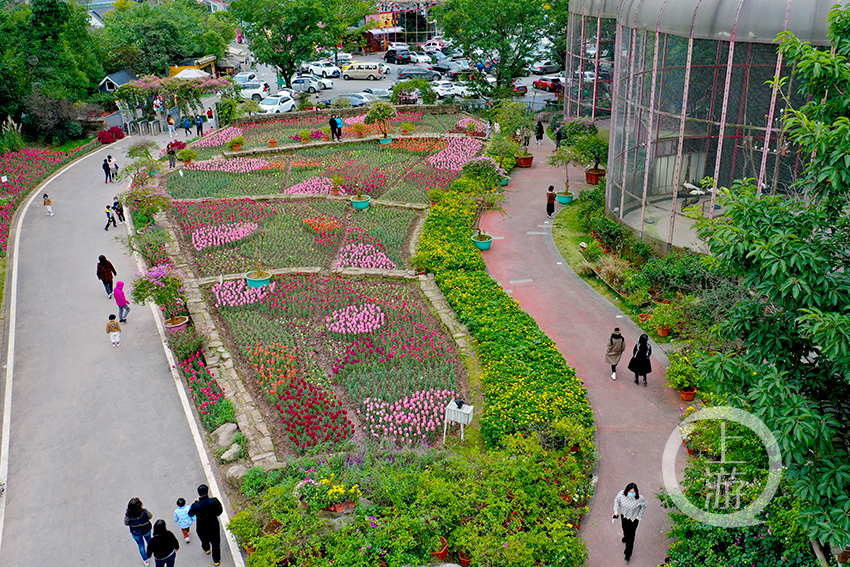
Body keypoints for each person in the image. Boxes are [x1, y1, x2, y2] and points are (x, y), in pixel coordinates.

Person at [188, 484, 224, 565]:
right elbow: (220, 511)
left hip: (201, 527)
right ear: (208, 491)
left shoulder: (196, 505)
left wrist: (196, 502)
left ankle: (207, 548)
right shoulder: (214, 501)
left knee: (204, 540)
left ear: (198, 493)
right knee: (215, 543)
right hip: (214, 526)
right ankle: (216, 560)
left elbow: (190, 514)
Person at [612, 482, 647, 562]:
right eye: (630, 492)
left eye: (633, 492)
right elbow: (616, 501)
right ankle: (625, 536)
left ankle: (628, 554)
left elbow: (644, 505)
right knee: (624, 529)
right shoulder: (621, 495)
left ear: (636, 492)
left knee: (631, 538)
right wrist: (616, 512)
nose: (631, 493)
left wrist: (639, 516)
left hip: (633, 520)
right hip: (624, 516)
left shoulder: (640, 499)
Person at [124, 497, 154, 565]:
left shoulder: (129, 516)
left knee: (141, 545)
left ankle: (146, 560)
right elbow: (150, 516)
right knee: (149, 541)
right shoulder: (144, 512)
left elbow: (126, 523)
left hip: (136, 533)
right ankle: (150, 552)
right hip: (146, 530)